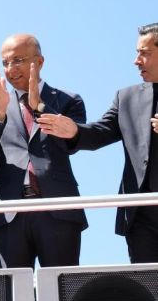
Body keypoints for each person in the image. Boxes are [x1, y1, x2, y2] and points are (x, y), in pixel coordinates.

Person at [38, 23, 158, 263]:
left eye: (144, 53)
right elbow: (99, 133)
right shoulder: (127, 98)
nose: (136, 60)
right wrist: (73, 130)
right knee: (150, 294)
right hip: (141, 216)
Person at [0, 34, 87, 269]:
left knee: (60, 294)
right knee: (13, 297)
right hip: (9, 212)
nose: (10, 69)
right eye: (5, 63)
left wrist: (39, 107)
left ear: (40, 62)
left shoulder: (69, 101)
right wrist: (0, 115)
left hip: (57, 209)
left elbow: (71, 143)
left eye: (18, 60)